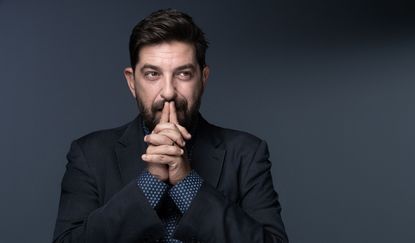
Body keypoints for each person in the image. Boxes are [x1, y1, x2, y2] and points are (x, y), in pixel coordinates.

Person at [53, 9, 288, 243]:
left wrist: (188, 183)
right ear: (132, 81)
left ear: (203, 79)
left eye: (184, 74)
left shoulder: (246, 153)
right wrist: (150, 183)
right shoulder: (89, 155)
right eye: (152, 74)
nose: (168, 92)